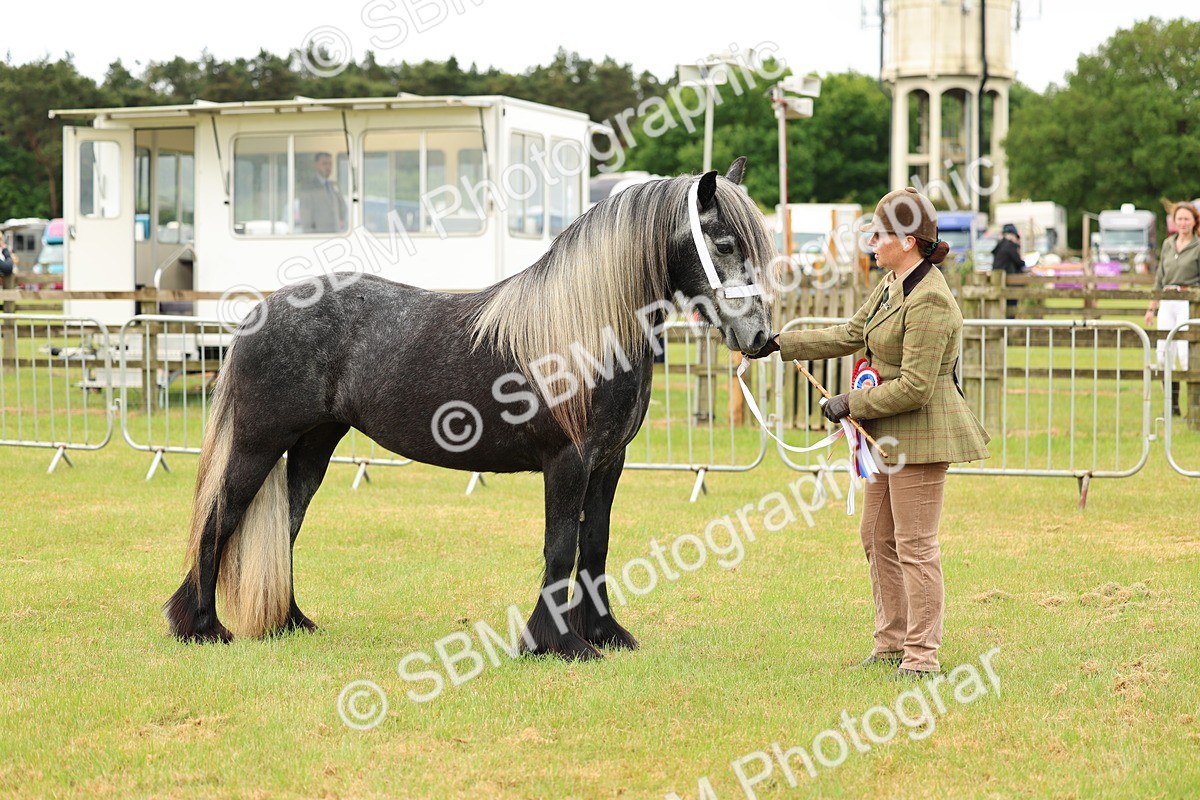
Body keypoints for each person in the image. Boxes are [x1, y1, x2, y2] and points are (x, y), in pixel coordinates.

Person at [750, 187, 990, 679]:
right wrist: (777, 343)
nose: (871, 243)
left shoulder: (931, 300)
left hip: (921, 436)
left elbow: (917, 389)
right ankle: (891, 644)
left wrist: (849, 403)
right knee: (876, 536)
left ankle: (922, 658)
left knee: (915, 546)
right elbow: (848, 334)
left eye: (878, 234)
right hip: (886, 436)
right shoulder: (891, 284)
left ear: (907, 239)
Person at [1145, 202, 1200, 416]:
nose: (1183, 223)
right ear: (1174, 222)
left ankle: (1193, 406)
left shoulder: (1198, 246)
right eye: (1180, 219)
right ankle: (1172, 405)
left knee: (1187, 354)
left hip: (1188, 301)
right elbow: (1159, 278)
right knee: (1163, 352)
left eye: (1187, 219)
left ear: (1194, 221)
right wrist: (1152, 307)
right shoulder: (1168, 244)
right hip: (1167, 300)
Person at [299, 152, 347, 233]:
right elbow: (306, 220)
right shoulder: (309, 188)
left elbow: (342, 209)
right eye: (324, 164)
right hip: (319, 238)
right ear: (316, 165)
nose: (328, 167)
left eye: (330, 164)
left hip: (336, 235)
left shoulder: (333, 186)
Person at [992, 223, 1025, 318]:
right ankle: (1010, 327)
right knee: (1011, 307)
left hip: (999, 282)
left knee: (1002, 309)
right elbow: (1019, 262)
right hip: (1010, 283)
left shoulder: (999, 246)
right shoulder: (1010, 246)